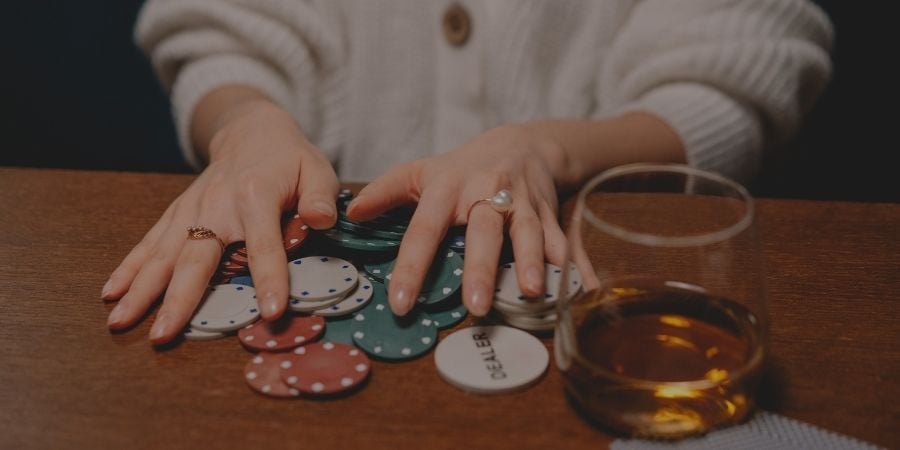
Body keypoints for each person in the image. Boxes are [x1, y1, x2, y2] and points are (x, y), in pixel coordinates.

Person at [102, 0, 833, 345]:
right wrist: (244, 125)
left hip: (600, 286)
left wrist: (552, 151)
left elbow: (741, 62)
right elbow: (218, 31)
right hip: (315, 264)